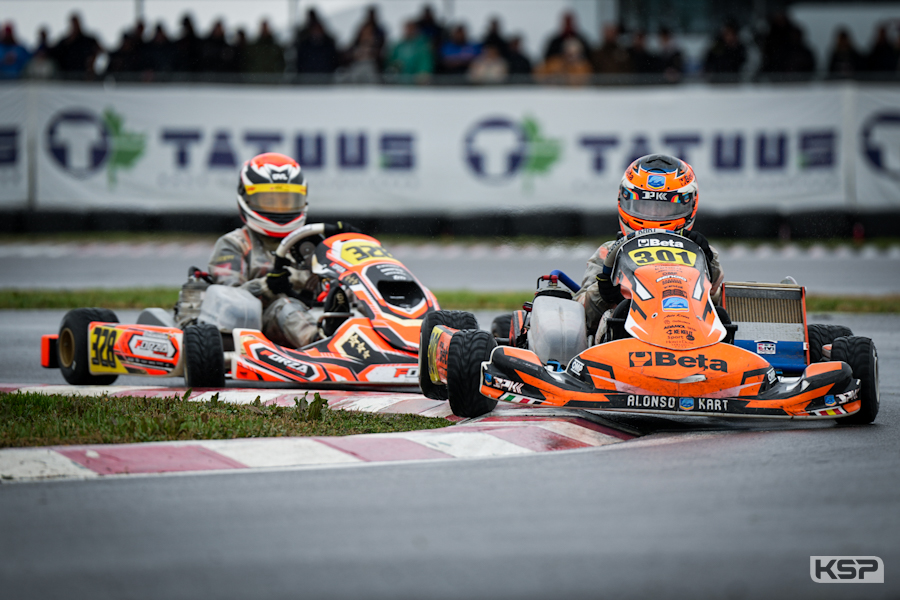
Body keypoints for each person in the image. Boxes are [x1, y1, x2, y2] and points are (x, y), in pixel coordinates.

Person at [207, 152, 356, 348]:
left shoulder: (312, 242)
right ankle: (322, 344)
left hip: (318, 312)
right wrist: (267, 285)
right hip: (262, 323)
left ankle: (398, 336)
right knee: (285, 305)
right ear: (245, 199)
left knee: (359, 298)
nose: (279, 209)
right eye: (269, 201)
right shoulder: (234, 244)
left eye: (287, 201)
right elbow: (227, 302)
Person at [573, 154, 724, 340]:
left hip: (689, 332)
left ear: (688, 204)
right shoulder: (609, 253)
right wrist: (603, 292)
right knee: (612, 316)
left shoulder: (701, 252)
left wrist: (708, 260)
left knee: (724, 317)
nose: (653, 215)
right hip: (625, 337)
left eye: (663, 208)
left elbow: (718, 300)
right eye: (644, 206)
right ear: (625, 200)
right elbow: (579, 317)